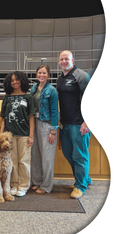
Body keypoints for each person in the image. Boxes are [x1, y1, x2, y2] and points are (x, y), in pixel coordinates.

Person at [56, 50, 92, 199]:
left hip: (79, 124)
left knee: (79, 156)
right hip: (65, 124)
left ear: (73, 60)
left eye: (67, 59)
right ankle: (84, 178)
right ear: (59, 62)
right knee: (68, 153)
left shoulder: (81, 76)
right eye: (61, 59)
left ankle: (80, 186)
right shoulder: (60, 78)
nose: (64, 61)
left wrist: (87, 122)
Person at [0, 71, 35, 197]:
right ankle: (13, 184)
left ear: (22, 80)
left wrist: (31, 136)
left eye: (17, 80)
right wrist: (1, 135)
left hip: (24, 134)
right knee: (12, 161)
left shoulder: (28, 97)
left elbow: (31, 117)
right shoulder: (7, 97)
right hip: (9, 136)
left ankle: (23, 186)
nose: (15, 82)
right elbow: (3, 118)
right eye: (12, 80)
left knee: (24, 161)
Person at [30, 65, 59, 194]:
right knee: (35, 155)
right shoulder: (34, 88)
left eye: (44, 73)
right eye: (39, 73)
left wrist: (53, 131)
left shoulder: (52, 90)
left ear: (48, 75)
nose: (41, 75)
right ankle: (37, 181)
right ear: (36, 74)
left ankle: (47, 185)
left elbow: (55, 112)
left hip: (46, 125)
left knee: (47, 157)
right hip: (34, 123)